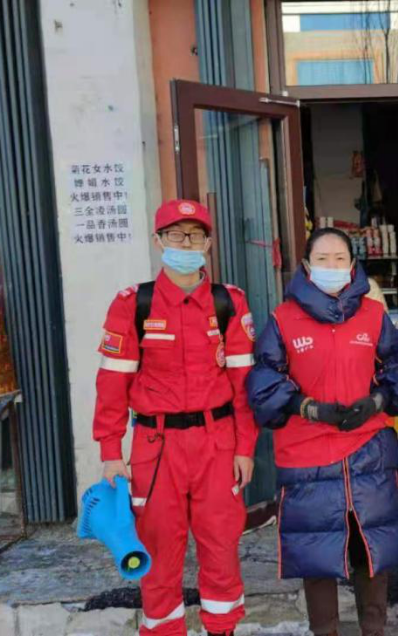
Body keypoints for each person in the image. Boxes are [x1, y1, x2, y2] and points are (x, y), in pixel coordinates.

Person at [93, 199, 258, 636]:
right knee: (159, 549)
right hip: (156, 447)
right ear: (158, 240)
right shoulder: (134, 304)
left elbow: (245, 387)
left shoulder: (229, 302)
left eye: (196, 235)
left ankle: (222, 629)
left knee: (220, 544)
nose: (186, 243)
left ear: (208, 243)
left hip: (217, 442)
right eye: (175, 234)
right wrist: (111, 452)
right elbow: (112, 385)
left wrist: (245, 448)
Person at [247, 227, 398, 637]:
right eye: (322, 258)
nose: (332, 266)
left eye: (340, 258)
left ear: (352, 264)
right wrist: (307, 407)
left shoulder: (373, 316)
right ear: (307, 266)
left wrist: (377, 400)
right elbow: (263, 383)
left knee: (371, 548)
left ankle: (374, 630)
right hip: (306, 452)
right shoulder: (283, 319)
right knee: (317, 554)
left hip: (367, 449)